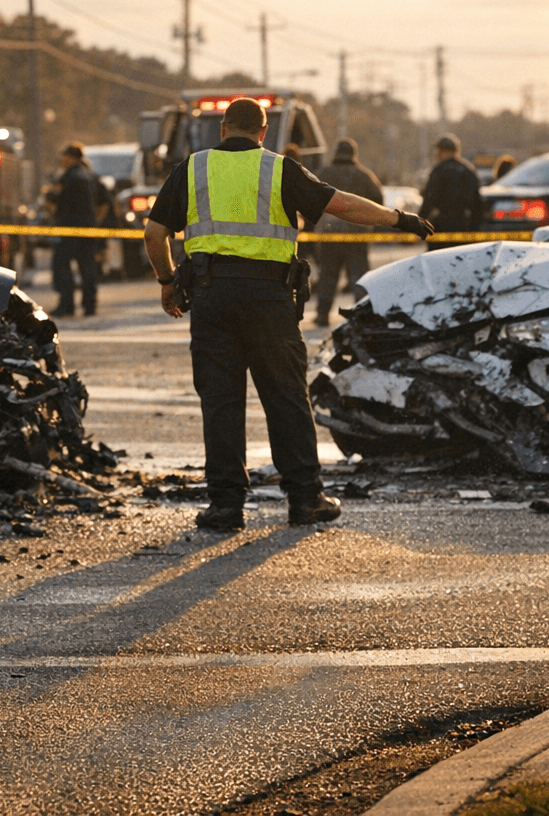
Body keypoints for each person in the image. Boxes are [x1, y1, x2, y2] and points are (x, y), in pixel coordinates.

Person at [142, 98, 432, 532]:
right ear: (262, 133)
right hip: (268, 299)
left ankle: (225, 507)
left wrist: (168, 280)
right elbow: (342, 205)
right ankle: (305, 499)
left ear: (223, 130)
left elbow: (154, 233)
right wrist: (399, 218)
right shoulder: (279, 169)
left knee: (220, 401)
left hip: (211, 297)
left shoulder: (193, 168)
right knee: (286, 398)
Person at [312, 138, 384, 327]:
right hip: (357, 234)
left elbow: (310, 198)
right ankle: (362, 316)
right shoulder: (363, 175)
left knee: (328, 275)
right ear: (354, 154)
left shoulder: (324, 173)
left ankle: (322, 315)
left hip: (328, 235)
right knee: (359, 277)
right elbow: (378, 198)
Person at [47, 142, 101, 317]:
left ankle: (66, 304)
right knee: (87, 267)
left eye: (64, 156)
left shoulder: (68, 177)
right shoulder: (91, 176)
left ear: (70, 158)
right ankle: (90, 305)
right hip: (88, 228)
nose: (61, 160)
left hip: (68, 228)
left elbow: (53, 201)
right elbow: (103, 203)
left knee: (62, 266)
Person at [418, 135, 483, 249]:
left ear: (441, 151)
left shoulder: (439, 170)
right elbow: (477, 203)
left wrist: (419, 222)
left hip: (441, 226)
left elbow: (429, 199)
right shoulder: (469, 170)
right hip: (464, 227)